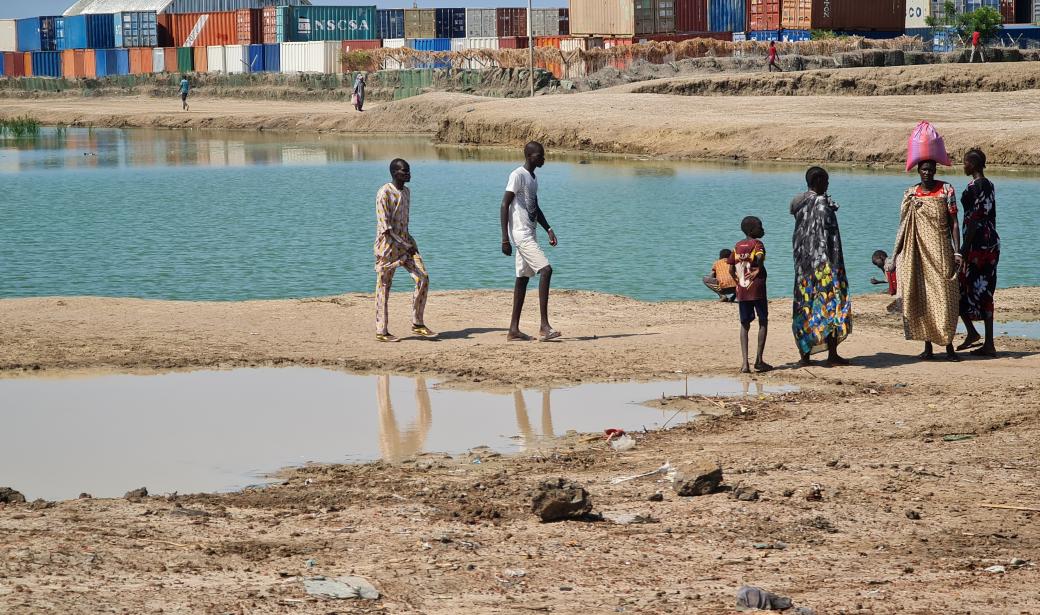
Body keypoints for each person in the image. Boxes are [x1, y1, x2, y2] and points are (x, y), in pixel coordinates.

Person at [890, 158, 962, 361]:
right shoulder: (911, 194)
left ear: (935, 170)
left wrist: (957, 251)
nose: (927, 173)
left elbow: (954, 223)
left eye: (930, 170)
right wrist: (898, 255)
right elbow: (904, 225)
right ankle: (928, 347)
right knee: (923, 298)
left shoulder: (946, 190)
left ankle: (948, 347)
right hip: (918, 253)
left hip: (941, 252)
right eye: (923, 170)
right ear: (918, 171)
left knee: (946, 298)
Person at [790, 166, 851, 367]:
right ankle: (832, 355)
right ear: (817, 181)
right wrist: (835, 266)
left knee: (804, 307)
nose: (827, 185)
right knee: (830, 306)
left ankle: (804, 356)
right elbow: (828, 238)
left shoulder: (798, 203)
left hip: (803, 265)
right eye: (825, 181)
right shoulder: (822, 204)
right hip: (824, 265)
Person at [500, 141, 560, 342]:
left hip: (530, 232)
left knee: (523, 278)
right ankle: (544, 327)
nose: (543, 158)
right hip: (521, 234)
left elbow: (535, 207)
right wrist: (504, 239)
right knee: (546, 269)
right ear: (529, 156)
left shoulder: (533, 178)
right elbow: (504, 204)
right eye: (540, 155)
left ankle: (513, 330)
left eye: (543, 155)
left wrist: (548, 229)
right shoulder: (517, 175)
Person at [374, 158, 435, 342]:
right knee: (384, 287)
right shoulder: (384, 193)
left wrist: (410, 244)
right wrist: (403, 245)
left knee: (423, 277)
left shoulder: (407, 192)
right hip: (388, 247)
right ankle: (381, 331)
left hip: (406, 243)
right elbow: (386, 228)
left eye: (408, 170)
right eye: (404, 171)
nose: (408, 174)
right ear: (394, 173)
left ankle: (417, 322)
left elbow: (403, 224)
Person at [957, 148, 1000, 356]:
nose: (963, 166)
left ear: (972, 165)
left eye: (965, 162)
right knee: (986, 290)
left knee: (959, 287)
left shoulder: (974, 186)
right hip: (991, 242)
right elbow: (991, 216)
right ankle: (987, 342)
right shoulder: (990, 184)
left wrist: (964, 249)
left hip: (976, 245)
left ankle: (973, 332)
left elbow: (974, 219)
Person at [729, 216, 771, 373]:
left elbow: (731, 268)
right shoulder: (758, 244)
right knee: (763, 321)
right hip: (757, 289)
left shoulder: (737, 246)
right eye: (760, 227)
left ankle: (745, 364)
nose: (763, 229)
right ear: (752, 230)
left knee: (744, 324)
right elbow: (759, 257)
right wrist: (758, 269)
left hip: (743, 290)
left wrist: (738, 282)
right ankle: (759, 361)